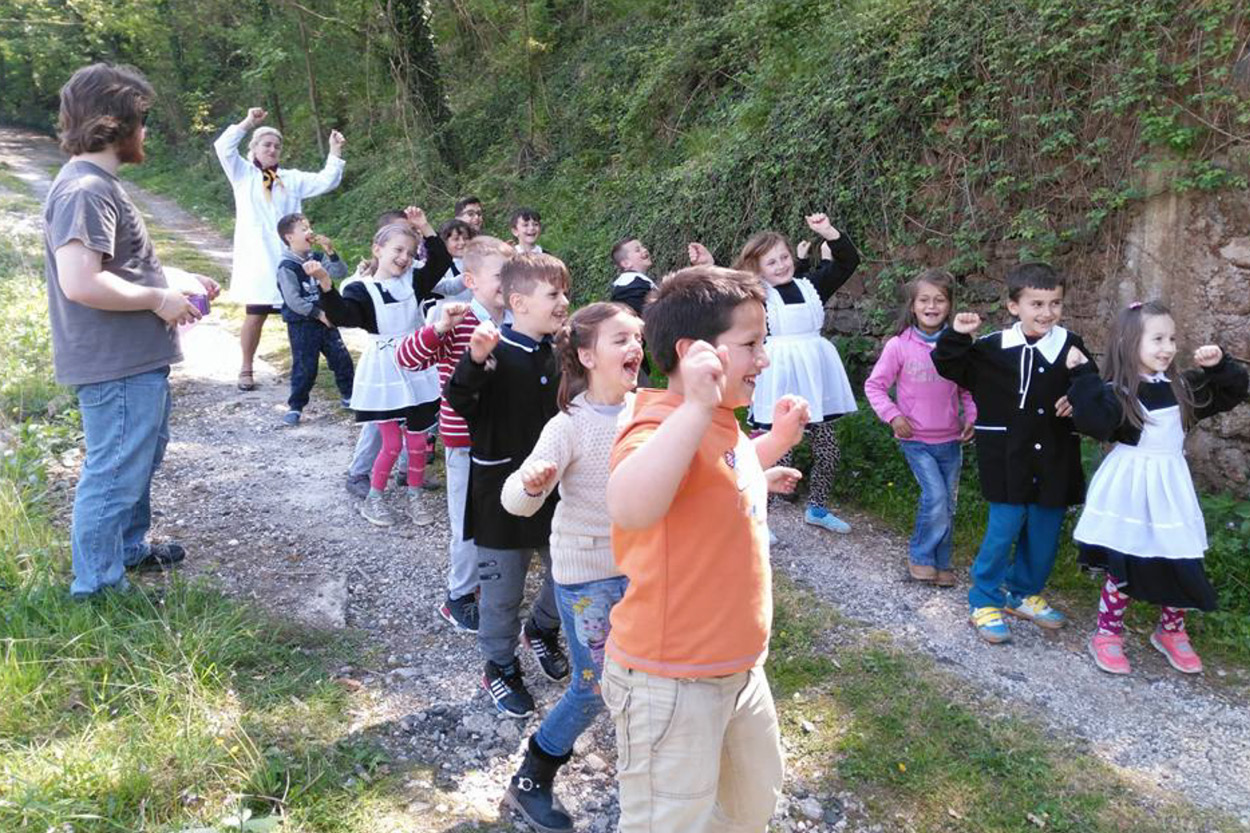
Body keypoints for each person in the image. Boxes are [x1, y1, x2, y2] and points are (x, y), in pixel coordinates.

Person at [602, 265, 807, 833]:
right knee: (667, 823)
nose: (763, 358)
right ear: (695, 355)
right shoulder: (661, 422)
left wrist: (772, 448)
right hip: (670, 681)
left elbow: (718, 471)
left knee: (748, 808)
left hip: (739, 670)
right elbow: (630, 505)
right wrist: (693, 407)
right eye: (750, 344)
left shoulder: (722, 422)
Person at [44, 62, 220, 598]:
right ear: (117, 123)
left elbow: (114, 267)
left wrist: (177, 281)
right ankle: (97, 586)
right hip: (113, 365)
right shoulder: (85, 191)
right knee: (115, 470)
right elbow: (81, 282)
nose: (145, 132)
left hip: (133, 361)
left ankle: (125, 549)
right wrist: (158, 299)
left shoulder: (97, 185)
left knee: (136, 460)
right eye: (141, 120)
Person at [497, 303, 645, 832]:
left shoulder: (649, 409)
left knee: (646, 673)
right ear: (586, 356)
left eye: (637, 338)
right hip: (587, 574)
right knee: (594, 686)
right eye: (620, 339)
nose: (634, 348)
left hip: (645, 567)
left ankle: (648, 771)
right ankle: (532, 776)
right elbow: (515, 500)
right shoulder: (570, 425)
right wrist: (532, 483)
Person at [1067, 301, 1248, 675]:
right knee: (1124, 558)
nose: (1167, 347)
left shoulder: (1183, 387)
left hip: (1170, 486)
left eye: (1172, 338)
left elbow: (1234, 392)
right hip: (1129, 485)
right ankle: (1108, 633)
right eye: (1157, 339)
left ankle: (1171, 630)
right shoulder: (1117, 392)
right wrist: (1083, 375)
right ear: (1129, 343)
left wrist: (1219, 366)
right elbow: (1093, 422)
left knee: (1179, 553)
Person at [932, 262, 1094, 644]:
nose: (1047, 313)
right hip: (1006, 456)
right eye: (1036, 303)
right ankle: (984, 598)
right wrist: (957, 335)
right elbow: (949, 366)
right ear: (1013, 306)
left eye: (1055, 303)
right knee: (1003, 530)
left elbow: (1091, 386)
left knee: (1044, 531)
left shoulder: (1071, 345)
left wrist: (1078, 394)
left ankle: (1023, 593)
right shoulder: (992, 348)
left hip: (1055, 456)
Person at [444, 253, 572, 718]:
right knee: (501, 594)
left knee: (570, 573)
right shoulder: (492, 351)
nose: (564, 302)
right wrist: (475, 359)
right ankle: (499, 665)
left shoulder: (561, 352)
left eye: (564, 293)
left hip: (558, 494)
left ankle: (540, 629)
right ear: (518, 301)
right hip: (500, 497)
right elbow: (459, 399)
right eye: (553, 294)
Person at [691, 212, 861, 535]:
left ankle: (818, 508)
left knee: (828, 448)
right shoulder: (757, 296)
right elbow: (723, 288)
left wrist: (829, 232)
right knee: (777, 449)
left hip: (815, 377)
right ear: (757, 270)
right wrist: (707, 265)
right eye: (772, 262)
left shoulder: (812, 285)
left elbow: (847, 261)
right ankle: (759, 512)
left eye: (784, 257)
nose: (782, 265)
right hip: (778, 375)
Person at [395, 235, 515, 633]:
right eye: (501, 275)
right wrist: (438, 328)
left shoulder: (516, 320)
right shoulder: (456, 319)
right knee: (468, 523)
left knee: (499, 517)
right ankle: (458, 595)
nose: (510, 282)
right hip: (465, 441)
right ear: (471, 279)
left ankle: (489, 586)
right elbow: (408, 359)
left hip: (507, 439)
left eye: (513, 274)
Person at [320, 215, 450, 527]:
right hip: (384, 369)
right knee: (391, 444)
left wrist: (426, 227)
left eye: (410, 252)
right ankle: (374, 498)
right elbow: (343, 315)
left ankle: (414, 495)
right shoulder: (361, 289)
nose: (404, 258)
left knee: (418, 442)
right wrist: (326, 286)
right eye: (398, 250)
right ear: (378, 249)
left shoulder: (414, 281)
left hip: (417, 361)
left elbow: (442, 259)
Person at [214, 106, 345, 391]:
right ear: (255, 148)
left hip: (291, 257)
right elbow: (223, 147)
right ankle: (246, 367)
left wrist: (335, 151)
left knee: (301, 312)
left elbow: (326, 180)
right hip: (259, 258)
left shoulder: (292, 178)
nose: (272, 149)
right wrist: (248, 121)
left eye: (276, 145)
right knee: (256, 312)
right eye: (266, 144)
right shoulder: (243, 174)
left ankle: (309, 371)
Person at [864, 269, 976, 585]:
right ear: (913, 306)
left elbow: (968, 388)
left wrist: (973, 417)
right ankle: (921, 556)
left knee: (948, 504)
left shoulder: (958, 346)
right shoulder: (898, 346)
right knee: (936, 497)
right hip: (915, 438)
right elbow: (874, 386)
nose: (931, 306)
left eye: (939, 300)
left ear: (949, 306)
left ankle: (942, 563)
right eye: (924, 300)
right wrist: (893, 415)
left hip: (950, 440)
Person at [274, 212, 353, 426]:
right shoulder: (287, 266)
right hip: (303, 324)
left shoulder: (317, 258)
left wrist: (330, 251)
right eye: (304, 229)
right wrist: (319, 314)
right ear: (289, 237)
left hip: (327, 320)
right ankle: (296, 406)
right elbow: (293, 300)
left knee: (341, 358)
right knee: (305, 366)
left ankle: (349, 396)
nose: (310, 232)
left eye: (310, 227)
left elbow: (339, 272)